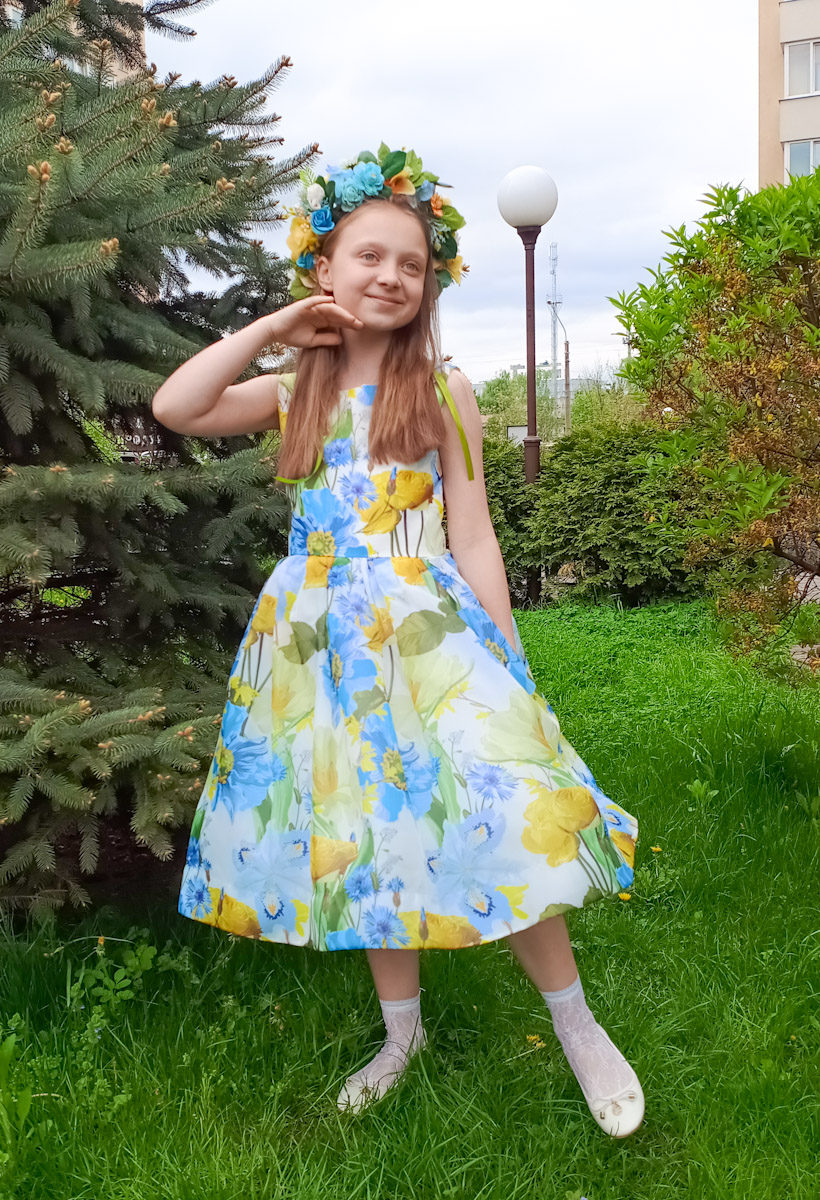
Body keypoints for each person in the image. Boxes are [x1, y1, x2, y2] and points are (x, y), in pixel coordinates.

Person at [152, 145, 644, 1137]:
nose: (389, 276)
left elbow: (474, 532)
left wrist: (509, 662)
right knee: (366, 828)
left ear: (430, 285)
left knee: (504, 807)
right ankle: (401, 1037)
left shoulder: (443, 389)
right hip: (320, 651)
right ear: (323, 268)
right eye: (367, 256)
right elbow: (178, 406)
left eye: (410, 264)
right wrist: (277, 328)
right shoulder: (295, 392)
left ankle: (577, 1023)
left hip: (429, 633)